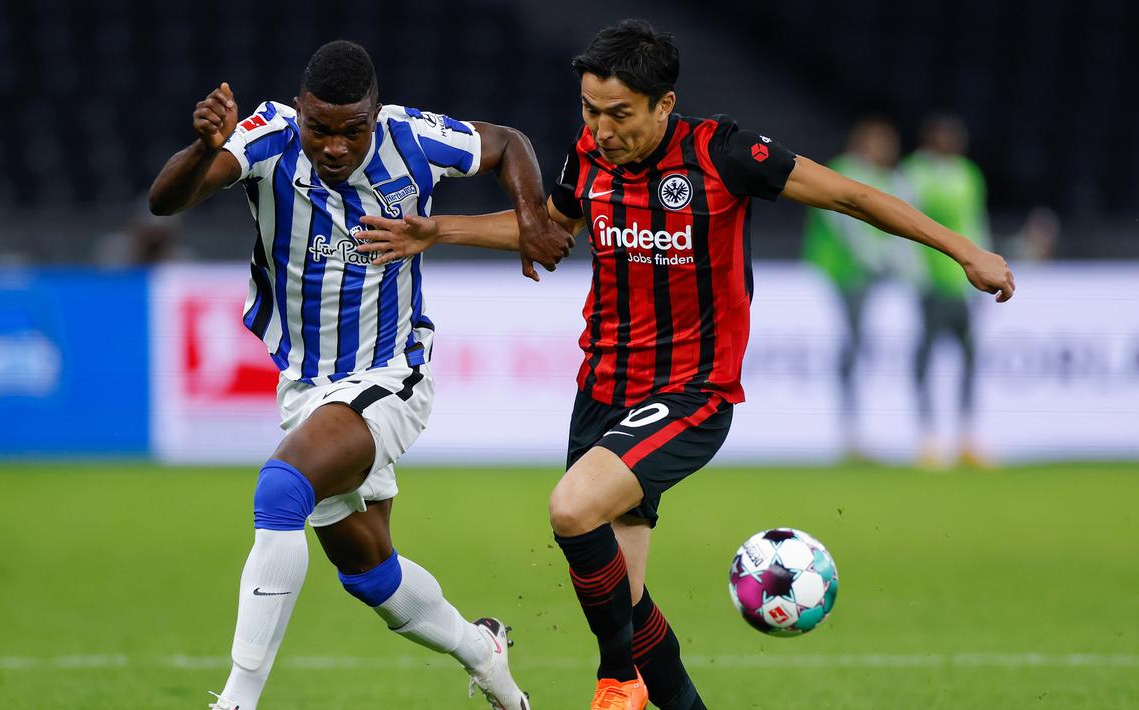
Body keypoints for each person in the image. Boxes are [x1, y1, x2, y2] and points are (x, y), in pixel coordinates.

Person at [356, 20, 1014, 710]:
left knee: (571, 508)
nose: (601, 128)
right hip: (602, 390)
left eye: (618, 114)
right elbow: (550, 232)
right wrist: (439, 230)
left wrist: (961, 249)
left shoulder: (725, 154)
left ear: (663, 105)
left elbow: (853, 196)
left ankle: (615, 683)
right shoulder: (590, 158)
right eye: (589, 110)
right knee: (628, 598)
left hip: (690, 393)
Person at [148, 39, 571, 710]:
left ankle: (235, 701)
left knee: (280, 489)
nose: (336, 147)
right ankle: (483, 653)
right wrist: (204, 148)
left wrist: (528, 214)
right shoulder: (264, 136)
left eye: (353, 131)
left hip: (390, 374)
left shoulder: (413, 137)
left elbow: (505, 144)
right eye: (321, 129)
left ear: (376, 114)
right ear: (299, 112)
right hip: (306, 388)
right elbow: (166, 203)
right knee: (370, 574)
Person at [801, 117, 913, 461]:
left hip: (866, 279)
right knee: (849, 348)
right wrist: (881, 259)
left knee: (862, 348)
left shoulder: (889, 178)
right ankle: (847, 433)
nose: (889, 151)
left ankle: (860, 431)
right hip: (838, 275)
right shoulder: (844, 170)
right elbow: (847, 226)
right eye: (882, 143)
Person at [899, 114, 992, 468]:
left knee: (968, 356)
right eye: (945, 136)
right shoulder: (914, 174)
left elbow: (976, 223)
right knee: (927, 355)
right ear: (930, 139)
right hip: (930, 282)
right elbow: (902, 226)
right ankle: (927, 437)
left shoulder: (968, 174)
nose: (952, 143)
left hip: (963, 284)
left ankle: (967, 434)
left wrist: (985, 267)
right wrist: (915, 275)